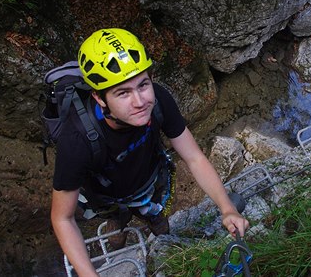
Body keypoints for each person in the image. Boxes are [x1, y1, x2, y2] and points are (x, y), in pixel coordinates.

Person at [51, 28, 249, 276]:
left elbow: (194, 157)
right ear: (100, 99)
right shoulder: (77, 141)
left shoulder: (159, 100)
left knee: (157, 218)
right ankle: (118, 227)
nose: (140, 101)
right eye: (123, 92)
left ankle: (155, 229)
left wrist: (226, 207)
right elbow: (62, 218)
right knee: (116, 225)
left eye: (143, 84)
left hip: (148, 182)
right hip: (105, 196)